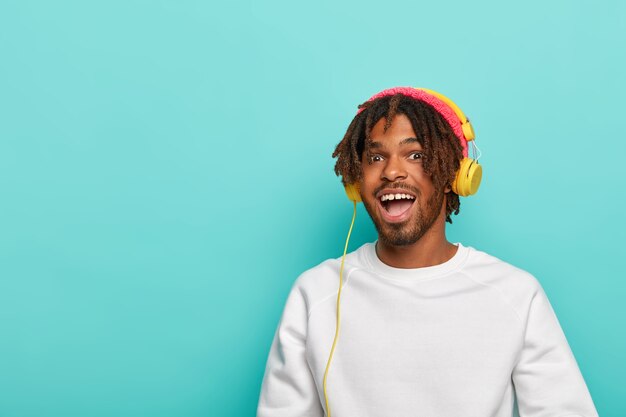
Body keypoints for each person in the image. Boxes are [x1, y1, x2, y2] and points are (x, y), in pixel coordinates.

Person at [256, 87, 599, 417]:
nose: (391, 171)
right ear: (356, 182)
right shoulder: (315, 293)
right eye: (376, 157)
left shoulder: (516, 295)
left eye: (416, 155)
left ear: (456, 174)